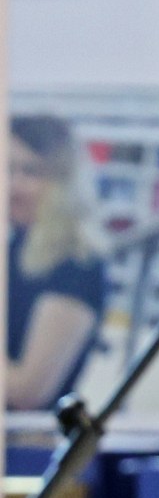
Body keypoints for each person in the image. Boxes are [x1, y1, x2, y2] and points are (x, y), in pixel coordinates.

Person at [4, 116, 108, 411]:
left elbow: (28, 393)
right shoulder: (14, 248)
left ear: (64, 181)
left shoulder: (76, 266)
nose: (13, 186)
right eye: (7, 170)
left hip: (27, 434)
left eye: (30, 172)